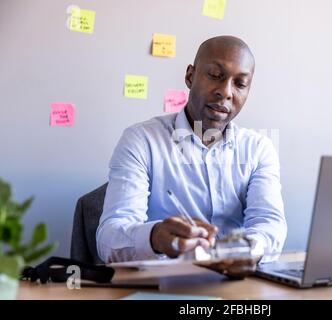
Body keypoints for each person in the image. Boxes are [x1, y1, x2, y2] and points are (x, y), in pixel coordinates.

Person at [96, 35, 287, 276]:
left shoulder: (259, 149)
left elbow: (270, 225)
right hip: (163, 285)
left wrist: (246, 250)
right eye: (216, 76)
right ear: (190, 76)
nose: (225, 92)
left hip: (237, 285)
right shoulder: (141, 140)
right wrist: (154, 237)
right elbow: (108, 239)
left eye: (240, 84)